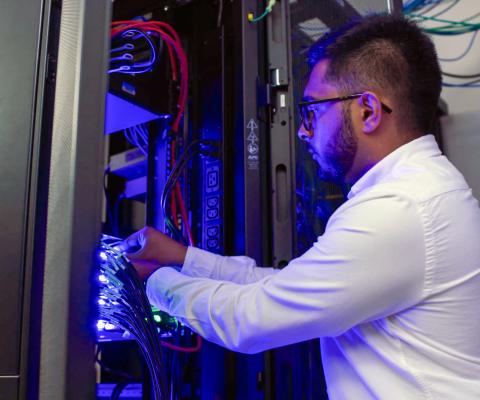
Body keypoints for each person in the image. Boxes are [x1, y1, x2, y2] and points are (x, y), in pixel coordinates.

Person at [119, 14, 480, 399]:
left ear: (369, 111)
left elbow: (250, 319)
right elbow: (285, 286)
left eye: (312, 110)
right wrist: (184, 258)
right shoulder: (419, 192)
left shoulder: (399, 209)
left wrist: (148, 283)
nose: (304, 130)